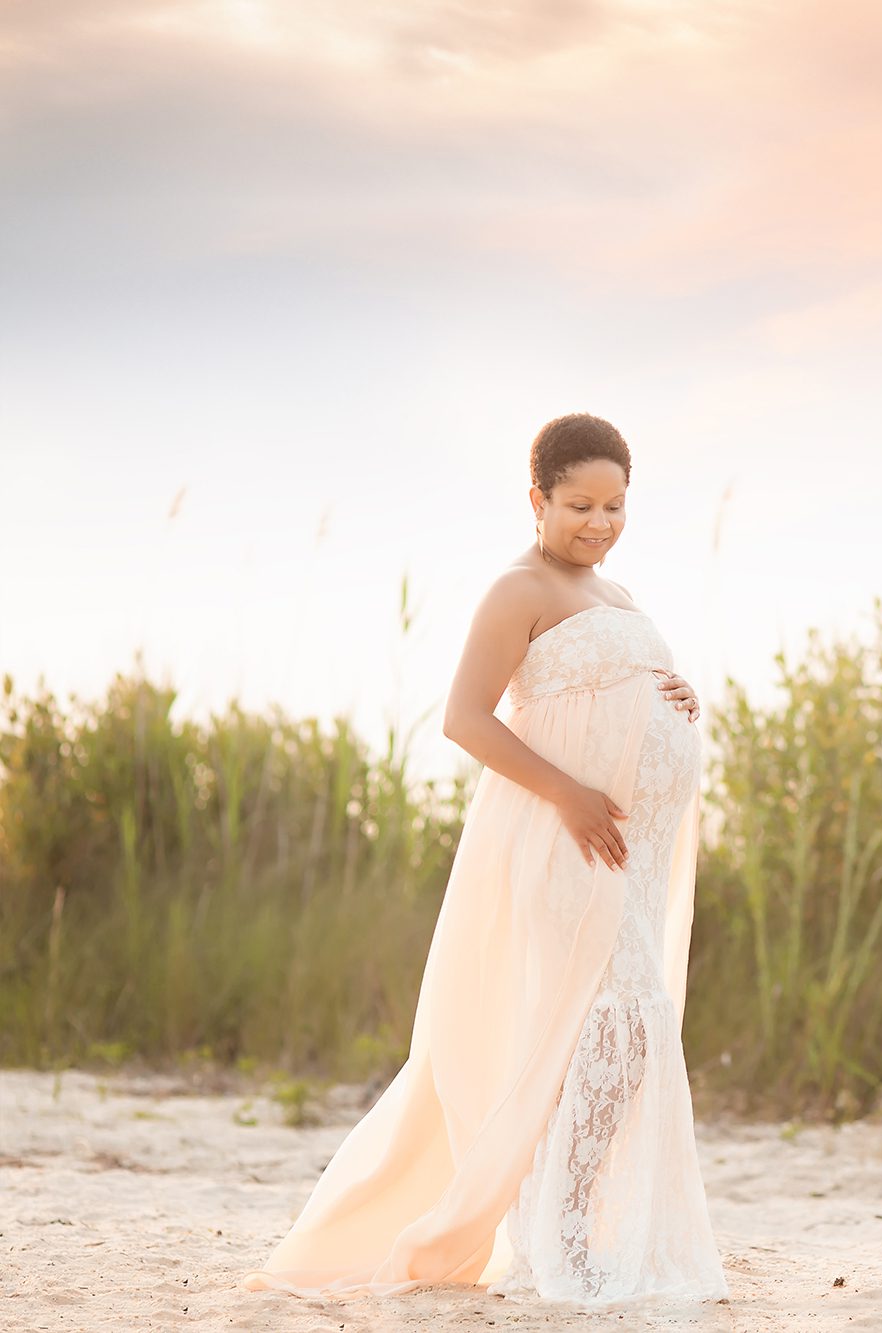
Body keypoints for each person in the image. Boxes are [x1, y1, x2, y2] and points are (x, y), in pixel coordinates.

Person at [240, 413, 732, 1307]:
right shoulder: (518, 589)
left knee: (623, 1033)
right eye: (580, 504)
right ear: (537, 498)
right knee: (594, 1031)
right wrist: (570, 793)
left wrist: (676, 696)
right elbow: (465, 718)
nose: (600, 522)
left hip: (632, 856)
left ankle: (568, 1226)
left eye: (617, 505)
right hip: (568, 843)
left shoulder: (615, 597)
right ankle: (561, 1237)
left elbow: (617, 689)